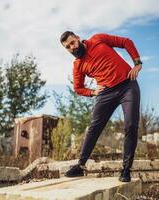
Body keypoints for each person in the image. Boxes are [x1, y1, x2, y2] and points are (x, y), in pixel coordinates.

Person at [60, 31, 142, 182]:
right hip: (105, 93)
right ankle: (80, 166)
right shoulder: (78, 65)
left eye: (72, 43)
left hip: (127, 85)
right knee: (93, 128)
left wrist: (137, 63)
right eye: (68, 47)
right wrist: (92, 92)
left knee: (131, 125)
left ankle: (126, 170)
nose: (72, 47)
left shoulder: (98, 39)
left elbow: (126, 42)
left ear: (78, 38)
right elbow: (78, 88)